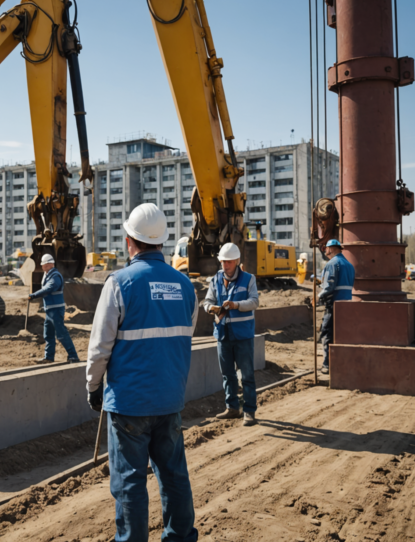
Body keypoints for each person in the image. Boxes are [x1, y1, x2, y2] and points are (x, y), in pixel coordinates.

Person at [86, 203, 199, 542]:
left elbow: (99, 347)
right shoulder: (186, 286)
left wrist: (93, 388)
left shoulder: (119, 283)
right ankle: (180, 536)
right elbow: (183, 337)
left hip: (129, 404)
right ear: (162, 241)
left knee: (130, 482)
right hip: (170, 400)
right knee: (174, 474)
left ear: (128, 240)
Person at [204, 242, 260, 426]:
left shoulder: (248, 279)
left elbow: (254, 302)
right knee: (228, 374)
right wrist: (210, 308)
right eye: (223, 262)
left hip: (243, 336)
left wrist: (237, 305)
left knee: (247, 375)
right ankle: (232, 408)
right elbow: (207, 301)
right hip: (223, 334)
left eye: (228, 262)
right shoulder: (215, 279)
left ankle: (249, 411)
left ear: (236, 261)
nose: (225, 265)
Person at [30, 253, 80, 364]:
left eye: (43, 264)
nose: (42, 266)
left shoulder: (55, 276)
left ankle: (73, 356)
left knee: (61, 334)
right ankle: (49, 357)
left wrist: (34, 295)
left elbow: (49, 288)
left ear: (48, 264)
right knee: (48, 334)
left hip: (56, 310)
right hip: (50, 311)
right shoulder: (48, 274)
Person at [316, 239, 356, 375]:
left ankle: (327, 364)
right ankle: (343, 363)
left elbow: (329, 286)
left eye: (325, 248)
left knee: (327, 334)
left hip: (333, 305)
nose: (325, 251)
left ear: (331, 249)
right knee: (342, 335)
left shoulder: (332, 263)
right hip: (347, 305)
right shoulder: (349, 265)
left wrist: (318, 297)